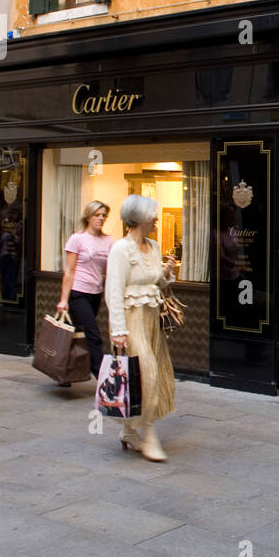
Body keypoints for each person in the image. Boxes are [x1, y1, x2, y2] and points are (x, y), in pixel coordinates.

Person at [105, 195, 176, 462]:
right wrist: (118, 330)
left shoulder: (154, 246)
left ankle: (128, 431)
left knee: (139, 376)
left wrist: (166, 272)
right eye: (152, 215)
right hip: (131, 319)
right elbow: (113, 291)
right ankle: (149, 435)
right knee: (146, 374)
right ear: (139, 218)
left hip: (151, 320)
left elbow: (157, 283)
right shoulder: (120, 250)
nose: (156, 219)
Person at [56, 201, 112, 386]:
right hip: (78, 293)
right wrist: (64, 300)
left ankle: (62, 373)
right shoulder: (77, 239)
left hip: (95, 294)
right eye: (97, 215)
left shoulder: (109, 241)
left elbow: (111, 270)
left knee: (78, 336)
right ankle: (105, 380)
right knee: (93, 335)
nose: (101, 218)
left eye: (104, 215)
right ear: (88, 217)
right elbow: (69, 271)